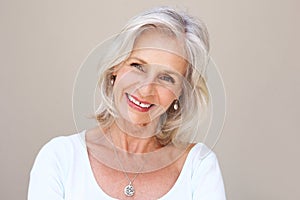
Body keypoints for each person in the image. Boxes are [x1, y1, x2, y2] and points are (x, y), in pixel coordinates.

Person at [28, 6, 226, 200]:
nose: (146, 89)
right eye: (137, 66)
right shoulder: (59, 157)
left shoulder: (199, 166)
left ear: (180, 92)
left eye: (166, 78)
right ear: (116, 67)